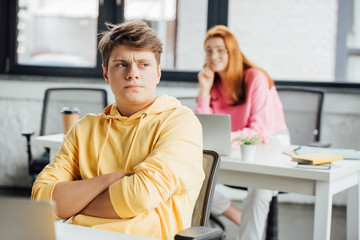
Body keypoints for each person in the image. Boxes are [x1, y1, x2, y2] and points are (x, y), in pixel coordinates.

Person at [31, 20, 204, 240]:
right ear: (106, 74)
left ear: (158, 73)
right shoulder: (84, 128)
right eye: (121, 64)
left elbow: (140, 196)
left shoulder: (180, 123)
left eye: (144, 64)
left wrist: (74, 204)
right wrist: (109, 179)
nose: (133, 73)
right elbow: (43, 201)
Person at [194, 25, 291, 240]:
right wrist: (204, 90)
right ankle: (233, 213)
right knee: (193, 176)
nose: (213, 56)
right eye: (208, 51)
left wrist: (224, 140)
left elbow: (260, 131)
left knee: (260, 188)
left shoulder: (256, 78)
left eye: (220, 50)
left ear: (233, 52)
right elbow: (204, 126)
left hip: (270, 144)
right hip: (235, 145)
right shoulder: (213, 83)